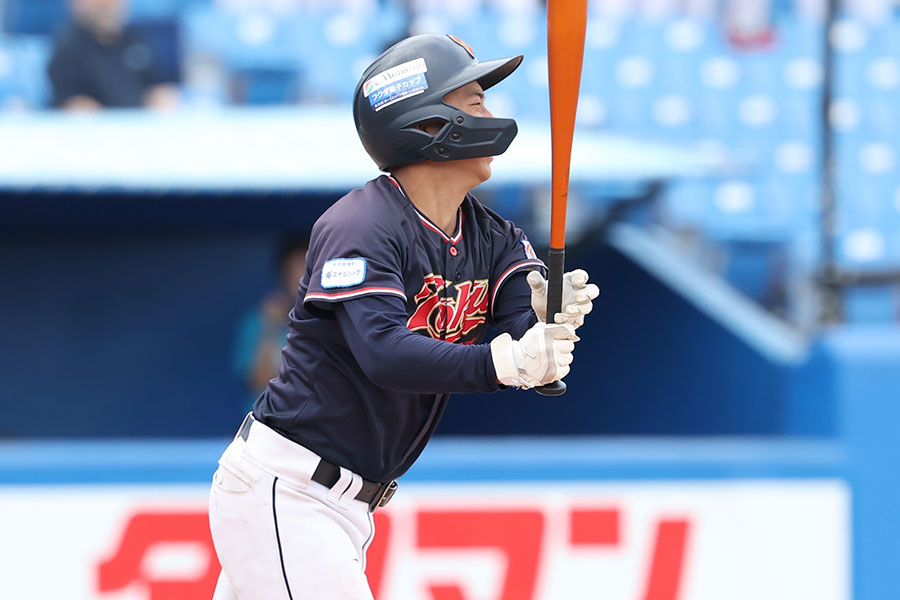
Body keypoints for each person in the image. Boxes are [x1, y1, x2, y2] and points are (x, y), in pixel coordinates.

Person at [208, 33, 599, 599]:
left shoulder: (494, 235)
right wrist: (507, 361)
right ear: (429, 124)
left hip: (345, 505)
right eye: (472, 102)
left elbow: (527, 343)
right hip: (289, 489)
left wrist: (545, 320)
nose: (489, 115)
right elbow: (385, 353)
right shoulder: (359, 226)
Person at [47, 0, 179, 110]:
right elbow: (67, 101)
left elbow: (156, 85)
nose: (108, 5)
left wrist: (160, 96)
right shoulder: (67, 48)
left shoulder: (135, 40)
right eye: (100, 4)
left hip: (140, 127)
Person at [232, 235, 309, 410]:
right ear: (283, 275)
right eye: (294, 271)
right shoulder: (258, 321)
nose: (301, 280)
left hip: (312, 429)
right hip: (266, 425)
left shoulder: (332, 320)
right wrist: (270, 328)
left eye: (307, 271)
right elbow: (259, 381)